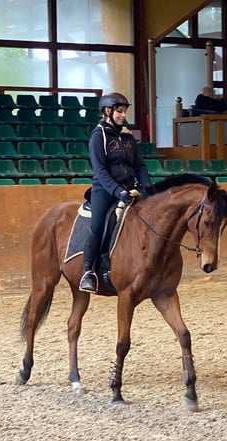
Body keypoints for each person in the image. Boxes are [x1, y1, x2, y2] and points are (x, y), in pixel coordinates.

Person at [79, 91, 152, 293]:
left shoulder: (128, 138)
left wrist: (147, 188)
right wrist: (118, 191)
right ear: (107, 111)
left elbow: (140, 166)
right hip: (105, 189)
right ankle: (88, 272)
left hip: (130, 188)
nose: (122, 115)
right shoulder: (98, 136)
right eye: (119, 111)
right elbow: (100, 171)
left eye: (124, 111)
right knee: (98, 224)